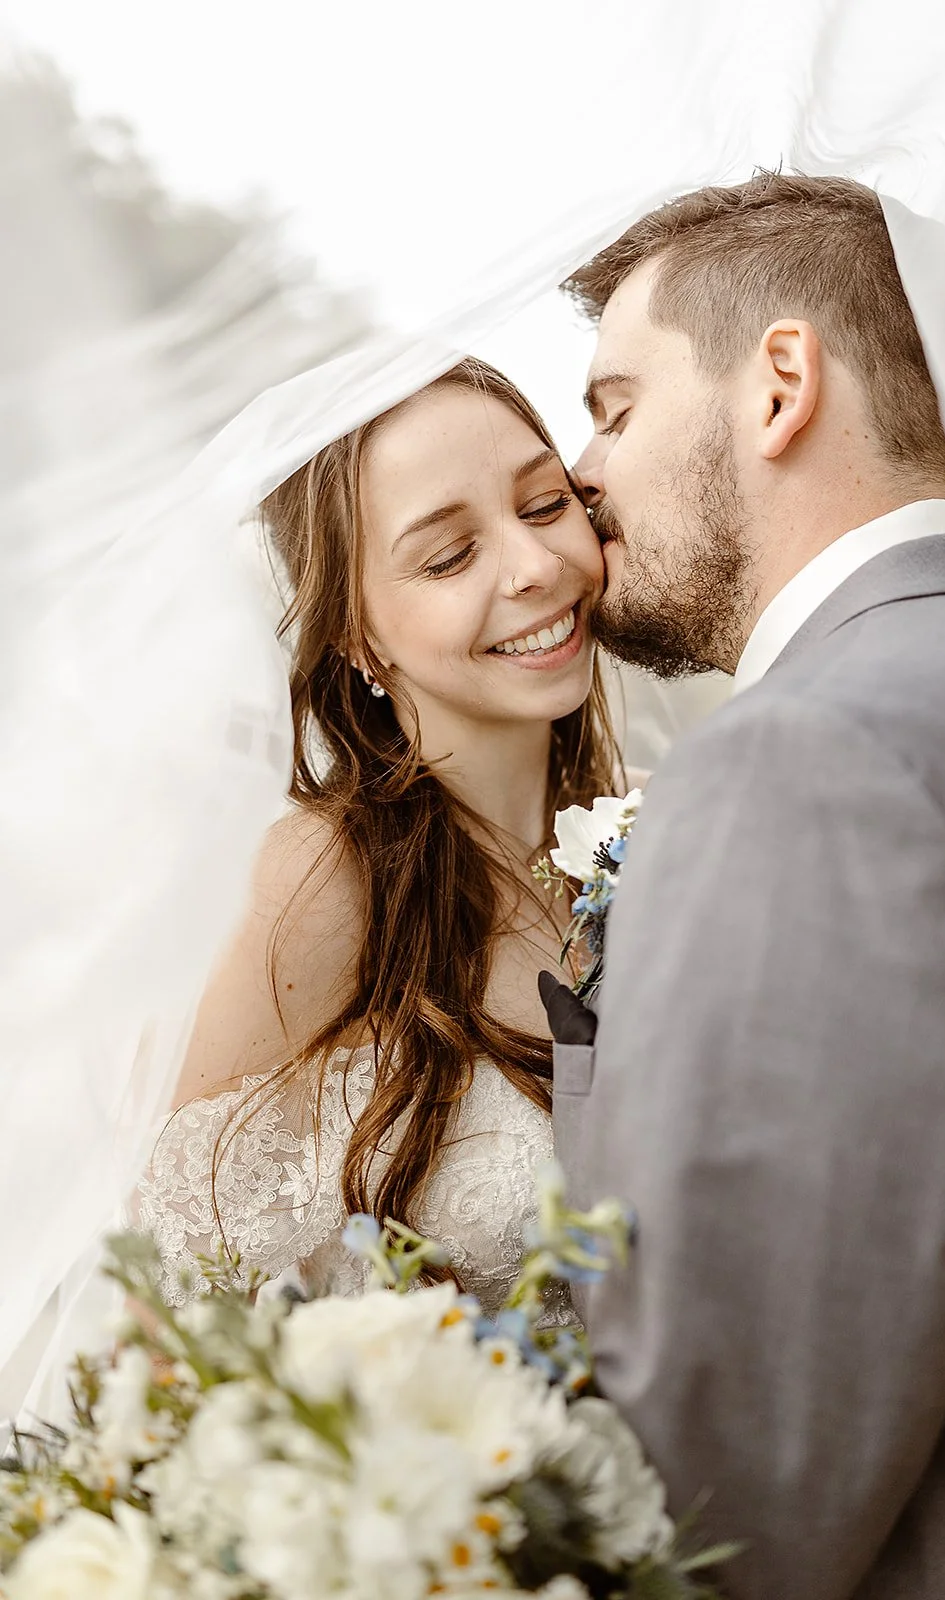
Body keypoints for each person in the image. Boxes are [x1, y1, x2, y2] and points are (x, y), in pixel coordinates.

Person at [545, 172, 945, 1598]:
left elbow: (724, 1494)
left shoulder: (816, 763)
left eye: (613, 406)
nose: (579, 477)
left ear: (779, 384)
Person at [136, 356, 622, 1311]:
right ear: (358, 637)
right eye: (448, 557)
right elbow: (178, 1306)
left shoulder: (667, 829)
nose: (533, 569)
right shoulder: (321, 882)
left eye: (542, 505)